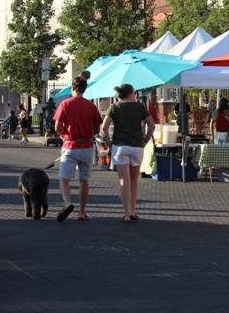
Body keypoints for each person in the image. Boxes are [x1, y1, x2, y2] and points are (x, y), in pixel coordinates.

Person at [101, 83, 155, 223]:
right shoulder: (140, 107)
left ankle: (125, 214)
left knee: (124, 181)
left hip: (119, 147)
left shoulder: (114, 107)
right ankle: (133, 210)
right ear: (131, 93)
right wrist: (145, 140)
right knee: (134, 180)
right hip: (137, 146)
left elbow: (104, 128)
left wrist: (109, 143)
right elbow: (152, 125)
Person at [53, 76, 103, 222]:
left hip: (70, 144)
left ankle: (67, 203)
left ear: (73, 88)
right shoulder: (91, 105)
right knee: (84, 180)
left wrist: (64, 135)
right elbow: (97, 128)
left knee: (64, 179)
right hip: (87, 146)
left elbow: (57, 126)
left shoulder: (65, 104)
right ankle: (82, 212)